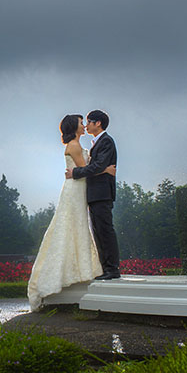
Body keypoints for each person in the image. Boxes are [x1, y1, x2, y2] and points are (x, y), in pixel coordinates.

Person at [27, 114, 116, 311]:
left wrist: (91, 170)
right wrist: (107, 171)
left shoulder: (78, 144)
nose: (84, 125)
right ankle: (74, 270)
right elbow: (88, 169)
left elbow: (87, 168)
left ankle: (80, 269)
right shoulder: (75, 146)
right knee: (73, 225)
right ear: (74, 127)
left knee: (77, 226)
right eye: (81, 123)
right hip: (76, 189)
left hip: (79, 188)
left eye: (85, 123)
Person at [67, 109, 120, 279]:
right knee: (98, 231)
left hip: (102, 193)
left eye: (89, 121)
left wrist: (75, 173)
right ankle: (106, 269)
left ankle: (112, 269)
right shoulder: (97, 143)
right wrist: (105, 169)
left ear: (98, 123)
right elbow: (100, 167)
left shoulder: (106, 141)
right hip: (95, 194)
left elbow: (97, 166)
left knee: (105, 230)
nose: (87, 125)